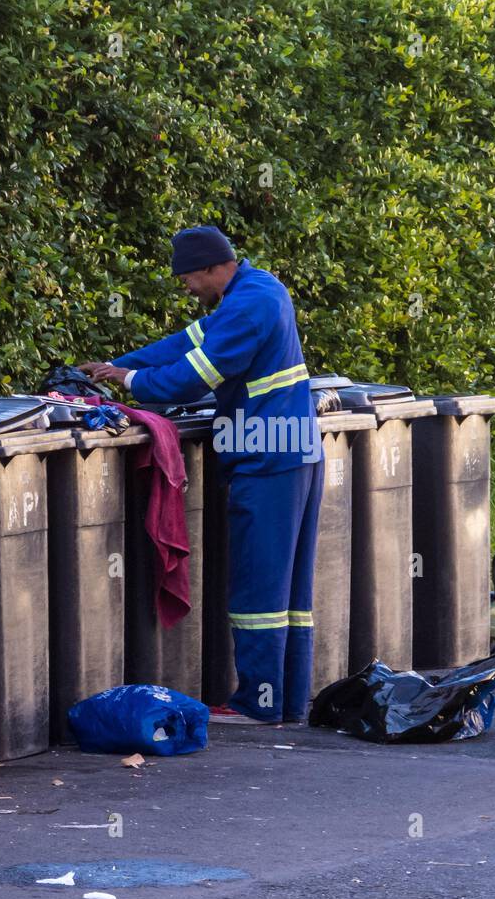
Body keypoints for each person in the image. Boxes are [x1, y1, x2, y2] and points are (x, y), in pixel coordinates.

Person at [82, 225, 323, 724]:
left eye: (188, 276)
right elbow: (186, 342)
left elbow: (195, 376)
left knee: (260, 587)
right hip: (288, 451)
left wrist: (132, 382)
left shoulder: (249, 305)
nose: (186, 287)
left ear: (213, 267)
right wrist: (115, 366)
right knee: (287, 590)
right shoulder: (255, 291)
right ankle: (285, 700)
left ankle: (257, 702)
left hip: (267, 456)